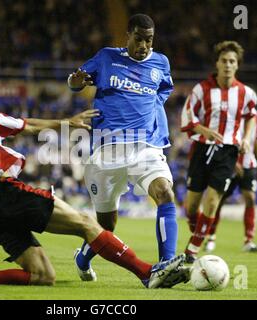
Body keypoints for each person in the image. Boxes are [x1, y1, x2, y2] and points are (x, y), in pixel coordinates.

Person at [0, 63, 185, 288]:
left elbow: (28, 125)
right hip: (4, 193)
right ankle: (148, 273)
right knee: (86, 223)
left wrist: (66, 123)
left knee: (42, 275)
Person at [68, 13, 186, 287]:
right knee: (106, 226)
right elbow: (75, 83)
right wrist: (77, 80)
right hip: (107, 150)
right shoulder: (107, 57)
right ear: (128, 36)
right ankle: (83, 259)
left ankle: (164, 265)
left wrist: (151, 112)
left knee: (165, 193)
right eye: (139, 39)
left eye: (149, 40)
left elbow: (164, 90)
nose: (144, 45)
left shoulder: (161, 62)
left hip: (146, 146)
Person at [180, 41, 257, 263]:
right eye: (224, 60)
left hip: (228, 152)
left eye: (232, 61)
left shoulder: (245, 93)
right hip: (202, 149)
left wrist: (245, 137)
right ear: (217, 63)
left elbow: (251, 115)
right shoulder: (201, 89)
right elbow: (187, 118)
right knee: (191, 206)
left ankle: (191, 252)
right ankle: (198, 231)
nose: (227, 65)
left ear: (237, 65)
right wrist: (205, 130)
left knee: (212, 201)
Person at [204, 110, 257, 253]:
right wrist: (233, 162)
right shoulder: (231, 113)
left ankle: (248, 240)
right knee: (218, 199)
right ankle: (210, 237)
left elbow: (254, 139)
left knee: (250, 198)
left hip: (249, 163)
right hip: (229, 163)